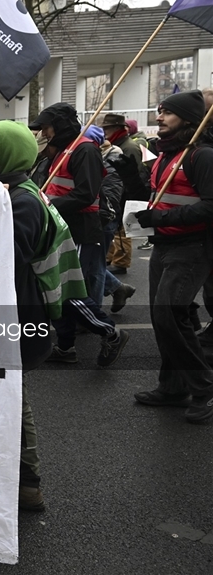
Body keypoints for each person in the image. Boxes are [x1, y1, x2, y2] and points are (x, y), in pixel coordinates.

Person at [0, 119, 55, 511]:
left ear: (5, 156)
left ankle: (27, 482)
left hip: (14, 319)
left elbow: (6, 257)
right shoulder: (5, 192)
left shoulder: (21, 201)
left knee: (10, 398)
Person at [132, 91, 213, 424]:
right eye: (158, 111)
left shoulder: (203, 155)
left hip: (192, 248)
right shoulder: (167, 154)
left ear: (189, 119)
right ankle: (173, 387)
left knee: (168, 314)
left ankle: (203, 388)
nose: (160, 116)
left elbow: (210, 206)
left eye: (167, 112)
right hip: (164, 245)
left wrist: (160, 220)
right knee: (164, 317)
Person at [31, 104, 128, 364]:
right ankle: (65, 346)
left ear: (60, 125)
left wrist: (47, 205)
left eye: (47, 127)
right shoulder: (60, 150)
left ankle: (111, 333)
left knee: (70, 292)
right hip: (61, 226)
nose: (44, 133)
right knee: (55, 288)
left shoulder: (84, 149)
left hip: (82, 228)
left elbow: (86, 193)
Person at [100, 113, 146, 275]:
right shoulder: (115, 144)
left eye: (109, 128)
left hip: (126, 192)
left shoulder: (129, 147)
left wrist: (130, 191)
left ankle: (121, 262)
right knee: (115, 227)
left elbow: (136, 172)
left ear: (118, 128)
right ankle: (111, 256)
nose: (105, 131)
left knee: (123, 229)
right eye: (104, 128)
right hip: (118, 190)